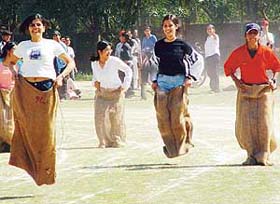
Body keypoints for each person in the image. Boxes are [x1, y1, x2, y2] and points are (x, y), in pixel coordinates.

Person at [9, 13, 75, 185]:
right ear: (28, 29)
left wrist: (61, 77)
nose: (35, 27)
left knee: (46, 133)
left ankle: (46, 173)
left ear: (44, 27)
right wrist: (15, 73)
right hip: (26, 90)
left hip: (46, 89)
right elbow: (10, 62)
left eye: (38, 25)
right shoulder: (23, 46)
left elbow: (70, 63)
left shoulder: (52, 45)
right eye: (32, 25)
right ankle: (30, 167)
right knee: (26, 129)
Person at [224, 23, 280, 166]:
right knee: (246, 124)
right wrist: (236, 81)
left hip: (263, 90)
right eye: (250, 33)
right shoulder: (239, 52)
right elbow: (228, 67)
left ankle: (264, 154)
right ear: (245, 36)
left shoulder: (266, 51)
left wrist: (274, 80)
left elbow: (276, 67)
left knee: (264, 122)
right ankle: (250, 155)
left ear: (259, 35)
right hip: (246, 90)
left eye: (255, 33)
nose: (253, 36)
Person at [152, 14, 204, 158]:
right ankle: (171, 149)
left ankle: (183, 144)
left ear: (176, 27)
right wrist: (154, 80)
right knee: (162, 118)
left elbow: (198, 61)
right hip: (162, 84)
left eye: (170, 25)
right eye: (165, 26)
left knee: (177, 117)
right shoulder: (158, 45)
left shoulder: (182, 45)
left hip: (178, 84)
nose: (168, 28)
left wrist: (190, 77)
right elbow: (154, 64)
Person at [91, 40, 132, 148]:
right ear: (99, 52)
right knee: (99, 117)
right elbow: (95, 77)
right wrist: (94, 83)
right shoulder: (94, 63)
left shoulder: (114, 61)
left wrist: (125, 85)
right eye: (106, 50)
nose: (109, 52)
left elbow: (128, 70)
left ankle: (116, 140)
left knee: (115, 118)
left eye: (110, 50)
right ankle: (102, 141)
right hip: (102, 93)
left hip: (116, 94)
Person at [0, 42, 17, 153]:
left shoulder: (16, 66)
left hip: (12, 94)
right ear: (8, 51)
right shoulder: (0, 65)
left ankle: (11, 143)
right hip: (1, 95)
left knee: (12, 120)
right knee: (2, 120)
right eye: (15, 50)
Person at [204, 24, 221, 92]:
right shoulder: (208, 38)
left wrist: (213, 33)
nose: (209, 30)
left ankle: (216, 88)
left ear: (214, 30)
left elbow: (214, 36)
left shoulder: (215, 36)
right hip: (208, 57)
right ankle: (212, 87)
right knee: (210, 73)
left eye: (211, 29)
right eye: (208, 29)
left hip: (214, 56)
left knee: (215, 72)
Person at [53, 30, 68, 100]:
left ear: (60, 36)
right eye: (54, 36)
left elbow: (66, 55)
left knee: (64, 80)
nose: (56, 37)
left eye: (57, 35)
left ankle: (63, 95)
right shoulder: (51, 44)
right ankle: (57, 95)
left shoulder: (63, 45)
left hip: (63, 64)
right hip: (55, 64)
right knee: (55, 79)